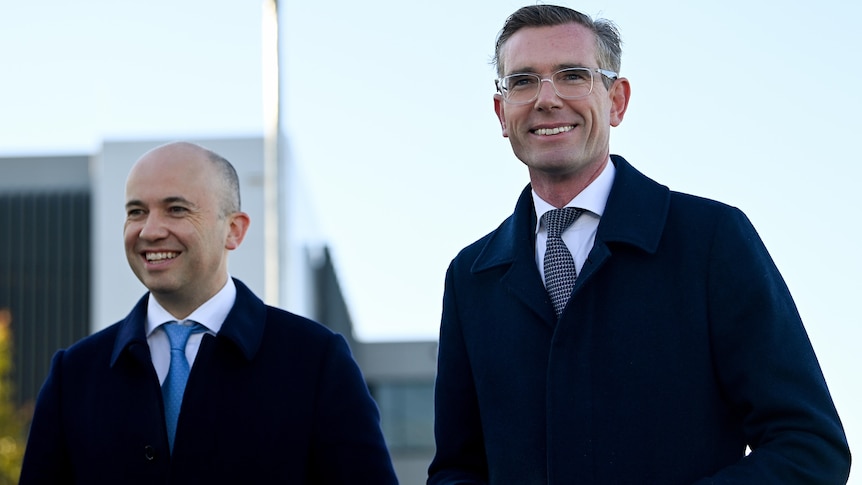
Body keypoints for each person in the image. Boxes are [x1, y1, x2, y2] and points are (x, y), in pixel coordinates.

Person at [428, 5, 851, 484]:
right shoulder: (470, 278)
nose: (546, 99)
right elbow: (457, 470)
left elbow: (810, 447)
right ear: (502, 113)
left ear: (617, 101)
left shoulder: (711, 241)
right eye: (523, 81)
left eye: (572, 75)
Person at [20, 142, 398, 484]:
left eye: (176, 209)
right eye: (137, 212)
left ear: (233, 230)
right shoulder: (74, 375)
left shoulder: (316, 361)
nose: (150, 230)